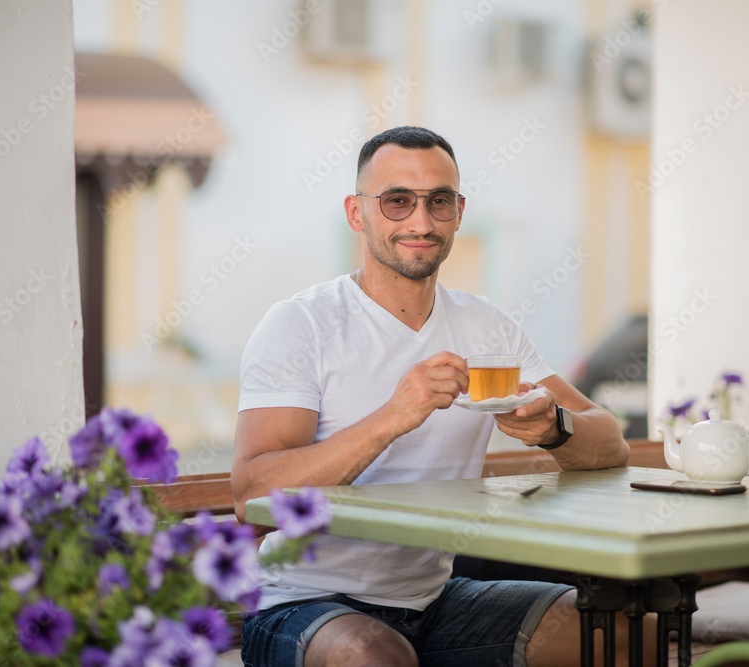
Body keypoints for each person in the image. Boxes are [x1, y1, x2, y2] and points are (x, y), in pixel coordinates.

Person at [232, 126, 629, 667]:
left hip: (435, 601)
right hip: (302, 602)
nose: (420, 222)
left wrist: (556, 427)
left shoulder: (486, 325)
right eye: (397, 202)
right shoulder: (301, 323)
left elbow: (610, 444)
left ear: (458, 213)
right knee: (375, 656)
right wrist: (393, 417)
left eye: (437, 202)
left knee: (623, 635)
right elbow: (251, 492)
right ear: (357, 213)